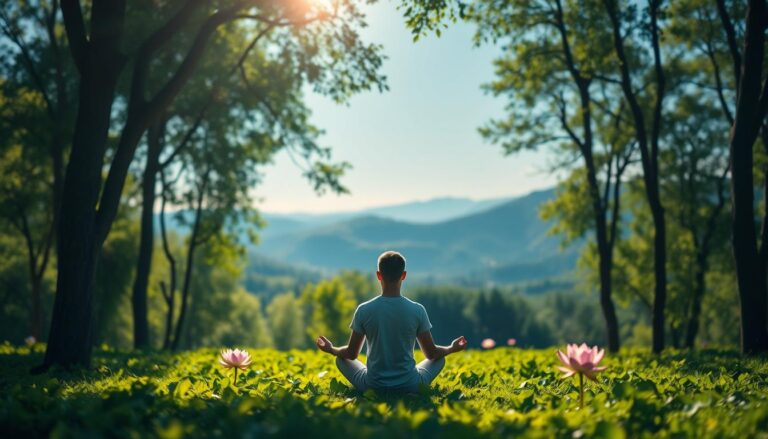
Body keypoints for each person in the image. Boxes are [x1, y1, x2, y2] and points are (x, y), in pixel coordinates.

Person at [315, 250, 468, 393]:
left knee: (341, 360)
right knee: (439, 359)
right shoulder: (417, 310)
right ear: (404, 275)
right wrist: (451, 348)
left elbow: (351, 354)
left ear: (378, 275)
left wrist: (331, 349)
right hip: (411, 384)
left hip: (372, 385)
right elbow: (432, 354)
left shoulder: (364, 309)